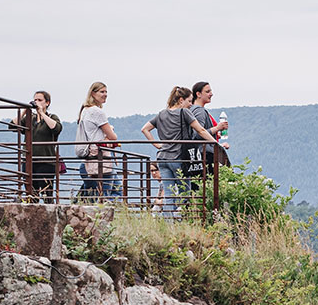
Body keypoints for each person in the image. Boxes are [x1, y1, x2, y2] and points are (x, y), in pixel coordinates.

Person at [140, 86, 217, 214]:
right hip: (178, 158)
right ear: (181, 100)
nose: (191, 105)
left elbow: (145, 129)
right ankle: (184, 220)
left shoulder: (161, 114)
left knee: (168, 194)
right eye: (189, 101)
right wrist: (215, 144)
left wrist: (157, 145)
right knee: (185, 192)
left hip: (162, 158)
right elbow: (200, 130)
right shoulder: (184, 113)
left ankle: (168, 223)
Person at [6, 90, 62, 201]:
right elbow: (12, 126)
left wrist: (41, 113)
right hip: (29, 160)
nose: (37, 102)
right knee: (31, 193)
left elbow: (56, 128)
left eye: (40, 100)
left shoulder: (52, 117)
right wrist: (24, 111)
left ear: (47, 103)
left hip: (46, 161)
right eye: (35, 100)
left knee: (47, 194)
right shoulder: (30, 119)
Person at [74, 82, 121, 203]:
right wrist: (111, 130)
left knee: (96, 194)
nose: (105, 94)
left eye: (106, 92)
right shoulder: (97, 112)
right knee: (108, 195)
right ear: (93, 94)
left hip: (89, 161)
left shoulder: (85, 110)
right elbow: (113, 136)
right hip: (100, 160)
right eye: (102, 92)